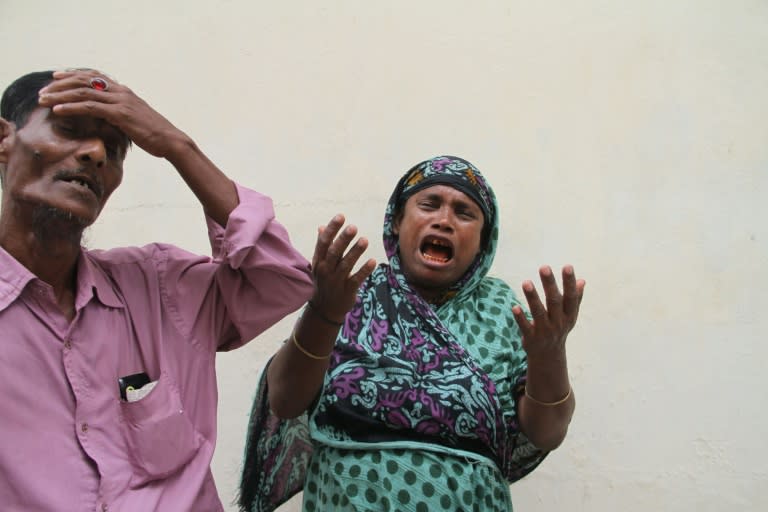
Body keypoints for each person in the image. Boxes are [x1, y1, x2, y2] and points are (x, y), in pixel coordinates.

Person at [0, 69, 318, 511]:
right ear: (4, 140)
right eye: (69, 130)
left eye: (112, 151)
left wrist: (175, 145)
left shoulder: (159, 286)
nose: (94, 154)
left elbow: (282, 277)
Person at [238, 155, 586, 512]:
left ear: (483, 243)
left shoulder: (501, 311)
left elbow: (547, 433)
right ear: (397, 223)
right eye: (429, 204)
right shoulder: (351, 292)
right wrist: (323, 313)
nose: (444, 220)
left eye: (464, 213)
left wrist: (550, 353)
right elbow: (284, 399)